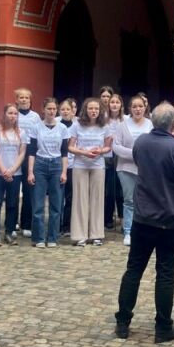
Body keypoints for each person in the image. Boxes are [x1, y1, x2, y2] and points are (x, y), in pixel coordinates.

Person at [114, 103, 174, 343]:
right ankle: (163, 327)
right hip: (170, 219)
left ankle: (123, 322)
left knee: (133, 269)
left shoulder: (142, 143)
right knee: (165, 274)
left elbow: (139, 161)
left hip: (143, 218)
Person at [69, 98, 113, 246]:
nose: (93, 111)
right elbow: (70, 147)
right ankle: (79, 234)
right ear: (85, 110)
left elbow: (108, 147)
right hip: (80, 164)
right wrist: (82, 152)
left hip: (97, 165)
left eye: (96, 109)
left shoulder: (105, 127)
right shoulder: (76, 126)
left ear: (100, 111)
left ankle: (96, 234)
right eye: (90, 108)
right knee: (80, 200)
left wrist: (100, 150)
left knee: (97, 199)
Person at [27, 98, 68, 249]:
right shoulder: (36, 127)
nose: (51, 112)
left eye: (54, 109)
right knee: (38, 205)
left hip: (56, 164)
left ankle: (52, 237)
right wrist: (30, 172)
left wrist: (64, 172)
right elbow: (31, 151)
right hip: (40, 164)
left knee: (56, 205)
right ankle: (38, 237)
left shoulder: (62, 128)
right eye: (49, 109)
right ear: (43, 110)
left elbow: (64, 152)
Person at [113, 96, 153, 246]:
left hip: (145, 170)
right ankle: (129, 231)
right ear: (130, 109)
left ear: (145, 107)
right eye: (134, 106)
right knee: (129, 201)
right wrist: (135, 154)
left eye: (140, 106)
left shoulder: (150, 124)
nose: (137, 109)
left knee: (144, 201)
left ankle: (142, 230)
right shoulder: (122, 125)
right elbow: (116, 146)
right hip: (126, 168)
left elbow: (154, 144)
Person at [0, 103, 27, 247]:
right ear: (4, 114)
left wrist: (12, 169)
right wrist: (4, 169)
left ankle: (9, 232)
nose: (13, 116)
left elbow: (22, 153)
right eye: (10, 113)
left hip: (15, 173)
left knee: (12, 204)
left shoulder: (21, 132)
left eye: (15, 114)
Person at [14, 88, 40, 238]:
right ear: (16, 100)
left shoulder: (35, 117)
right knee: (13, 190)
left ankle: (26, 223)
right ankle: (12, 222)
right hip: (14, 152)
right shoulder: (12, 114)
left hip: (30, 153)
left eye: (27, 98)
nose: (24, 100)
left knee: (29, 190)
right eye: (21, 98)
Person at [103, 93, 124, 230]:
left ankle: (123, 218)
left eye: (117, 102)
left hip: (121, 157)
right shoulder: (104, 119)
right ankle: (107, 218)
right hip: (107, 156)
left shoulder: (126, 120)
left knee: (121, 189)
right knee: (109, 190)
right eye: (112, 102)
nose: (114, 104)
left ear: (121, 105)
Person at [59, 98, 77, 236]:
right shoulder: (56, 125)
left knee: (70, 197)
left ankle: (67, 225)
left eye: (68, 109)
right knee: (58, 197)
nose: (65, 112)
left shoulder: (76, 126)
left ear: (73, 111)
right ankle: (57, 224)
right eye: (63, 109)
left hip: (72, 166)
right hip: (57, 165)